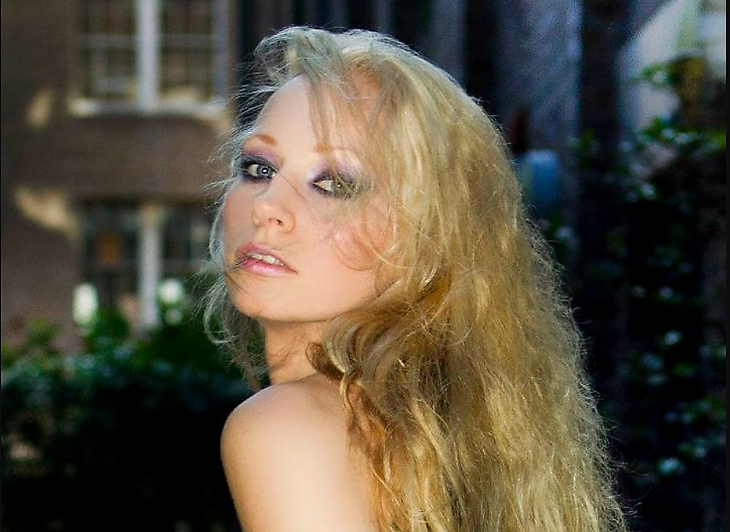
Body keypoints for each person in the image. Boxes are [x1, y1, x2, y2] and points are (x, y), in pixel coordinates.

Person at [205, 26, 627, 532]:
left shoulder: (285, 429)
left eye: (333, 183)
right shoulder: (434, 444)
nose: (267, 207)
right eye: (258, 168)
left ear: (425, 239)